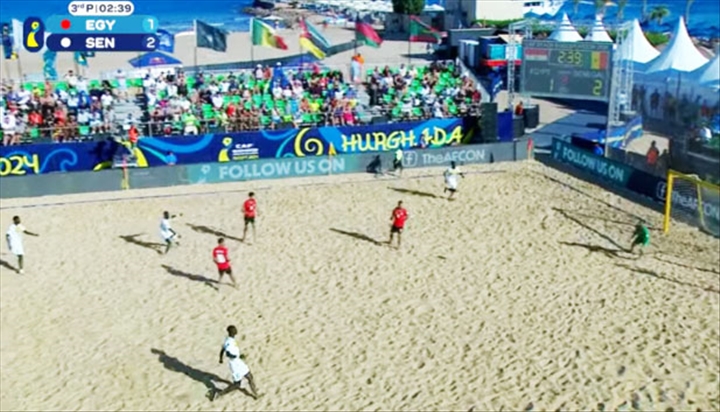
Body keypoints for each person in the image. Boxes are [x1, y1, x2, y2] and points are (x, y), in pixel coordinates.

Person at [210, 325, 260, 401]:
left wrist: (221, 358)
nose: (236, 330)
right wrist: (235, 356)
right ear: (232, 332)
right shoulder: (229, 342)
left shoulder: (229, 340)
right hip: (235, 364)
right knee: (237, 384)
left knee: (250, 376)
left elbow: (222, 350)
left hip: (238, 362)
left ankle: (256, 395)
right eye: (234, 329)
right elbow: (227, 353)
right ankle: (219, 393)